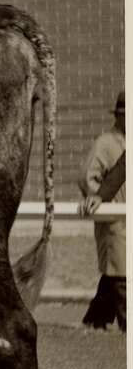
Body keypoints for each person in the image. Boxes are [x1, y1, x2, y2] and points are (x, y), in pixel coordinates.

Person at [79, 91, 126, 332]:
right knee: (121, 272)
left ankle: (95, 319)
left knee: (117, 270)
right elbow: (87, 178)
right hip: (114, 219)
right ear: (119, 116)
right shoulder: (106, 144)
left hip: (127, 218)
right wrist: (104, 201)